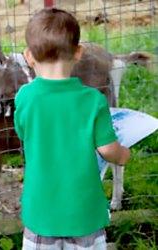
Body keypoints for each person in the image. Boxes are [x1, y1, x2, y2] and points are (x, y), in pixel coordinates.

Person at [14, 8, 130, 250]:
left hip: (41, 214)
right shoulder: (93, 101)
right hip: (84, 214)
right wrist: (123, 154)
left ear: (29, 56)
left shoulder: (25, 97)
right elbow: (108, 150)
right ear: (78, 53)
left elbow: (23, 133)